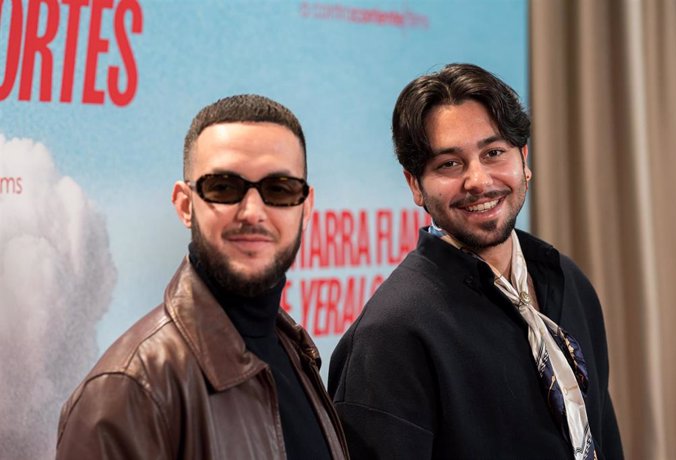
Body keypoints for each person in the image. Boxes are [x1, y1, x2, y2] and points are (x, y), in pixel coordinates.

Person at [328, 64, 623, 460]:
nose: (478, 181)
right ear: (415, 184)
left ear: (524, 159)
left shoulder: (567, 279)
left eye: (494, 153)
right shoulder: (390, 335)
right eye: (449, 164)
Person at [56, 95, 349, 459]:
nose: (253, 212)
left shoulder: (293, 349)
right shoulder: (128, 391)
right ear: (184, 205)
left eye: (279, 189)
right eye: (224, 188)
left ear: (305, 208)